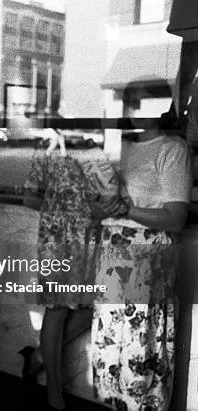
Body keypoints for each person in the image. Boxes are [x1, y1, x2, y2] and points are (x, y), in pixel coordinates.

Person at [90, 81, 192, 411]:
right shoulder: (124, 147)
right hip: (112, 263)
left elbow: (175, 218)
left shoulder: (172, 150)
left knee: (141, 349)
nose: (133, 110)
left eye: (142, 102)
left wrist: (125, 208)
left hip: (147, 267)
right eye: (130, 102)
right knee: (110, 349)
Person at [22, 142, 122, 410]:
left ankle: (41, 355)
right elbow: (29, 198)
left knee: (94, 307)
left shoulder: (98, 154)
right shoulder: (48, 151)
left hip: (91, 241)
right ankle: (54, 389)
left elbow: (111, 198)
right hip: (57, 241)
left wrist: (100, 208)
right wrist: (68, 209)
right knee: (57, 309)